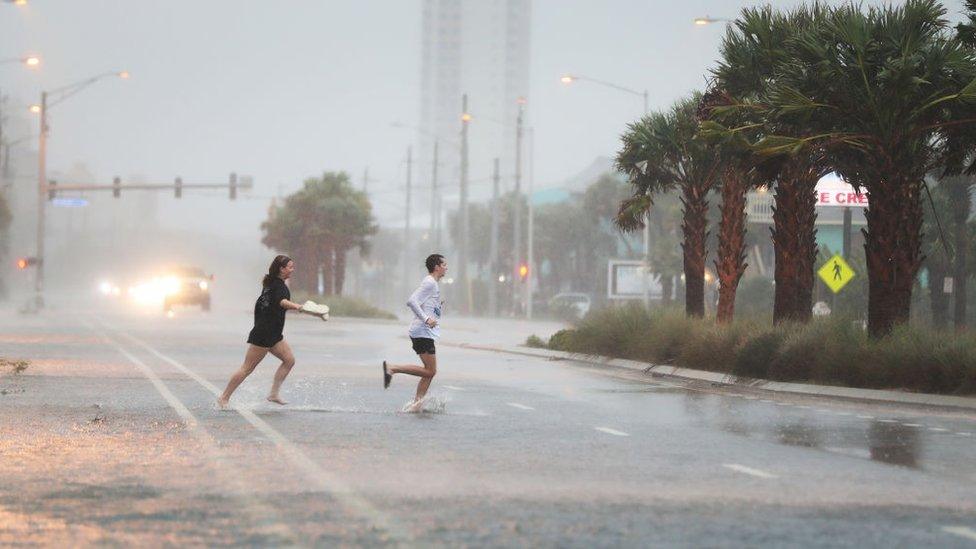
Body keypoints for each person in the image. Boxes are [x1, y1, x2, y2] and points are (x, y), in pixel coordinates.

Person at [218, 255, 307, 408]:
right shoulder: (279, 287)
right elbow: (282, 302)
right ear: (281, 269)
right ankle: (224, 398)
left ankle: (273, 394)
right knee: (247, 368)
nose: (292, 270)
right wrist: (298, 307)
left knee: (289, 360)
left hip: (274, 334)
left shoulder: (270, 283)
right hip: (264, 334)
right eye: (290, 267)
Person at [383, 254, 446, 412]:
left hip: (423, 332)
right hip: (421, 332)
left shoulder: (432, 284)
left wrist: (437, 308)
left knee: (429, 372)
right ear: (436, 267)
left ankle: (416, 405)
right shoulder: (430, 282)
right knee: (430, 370)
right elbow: (412, 301)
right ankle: (392, 368)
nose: (446, 267)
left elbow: (426, 306)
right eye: (444, 264)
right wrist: (426, 319)